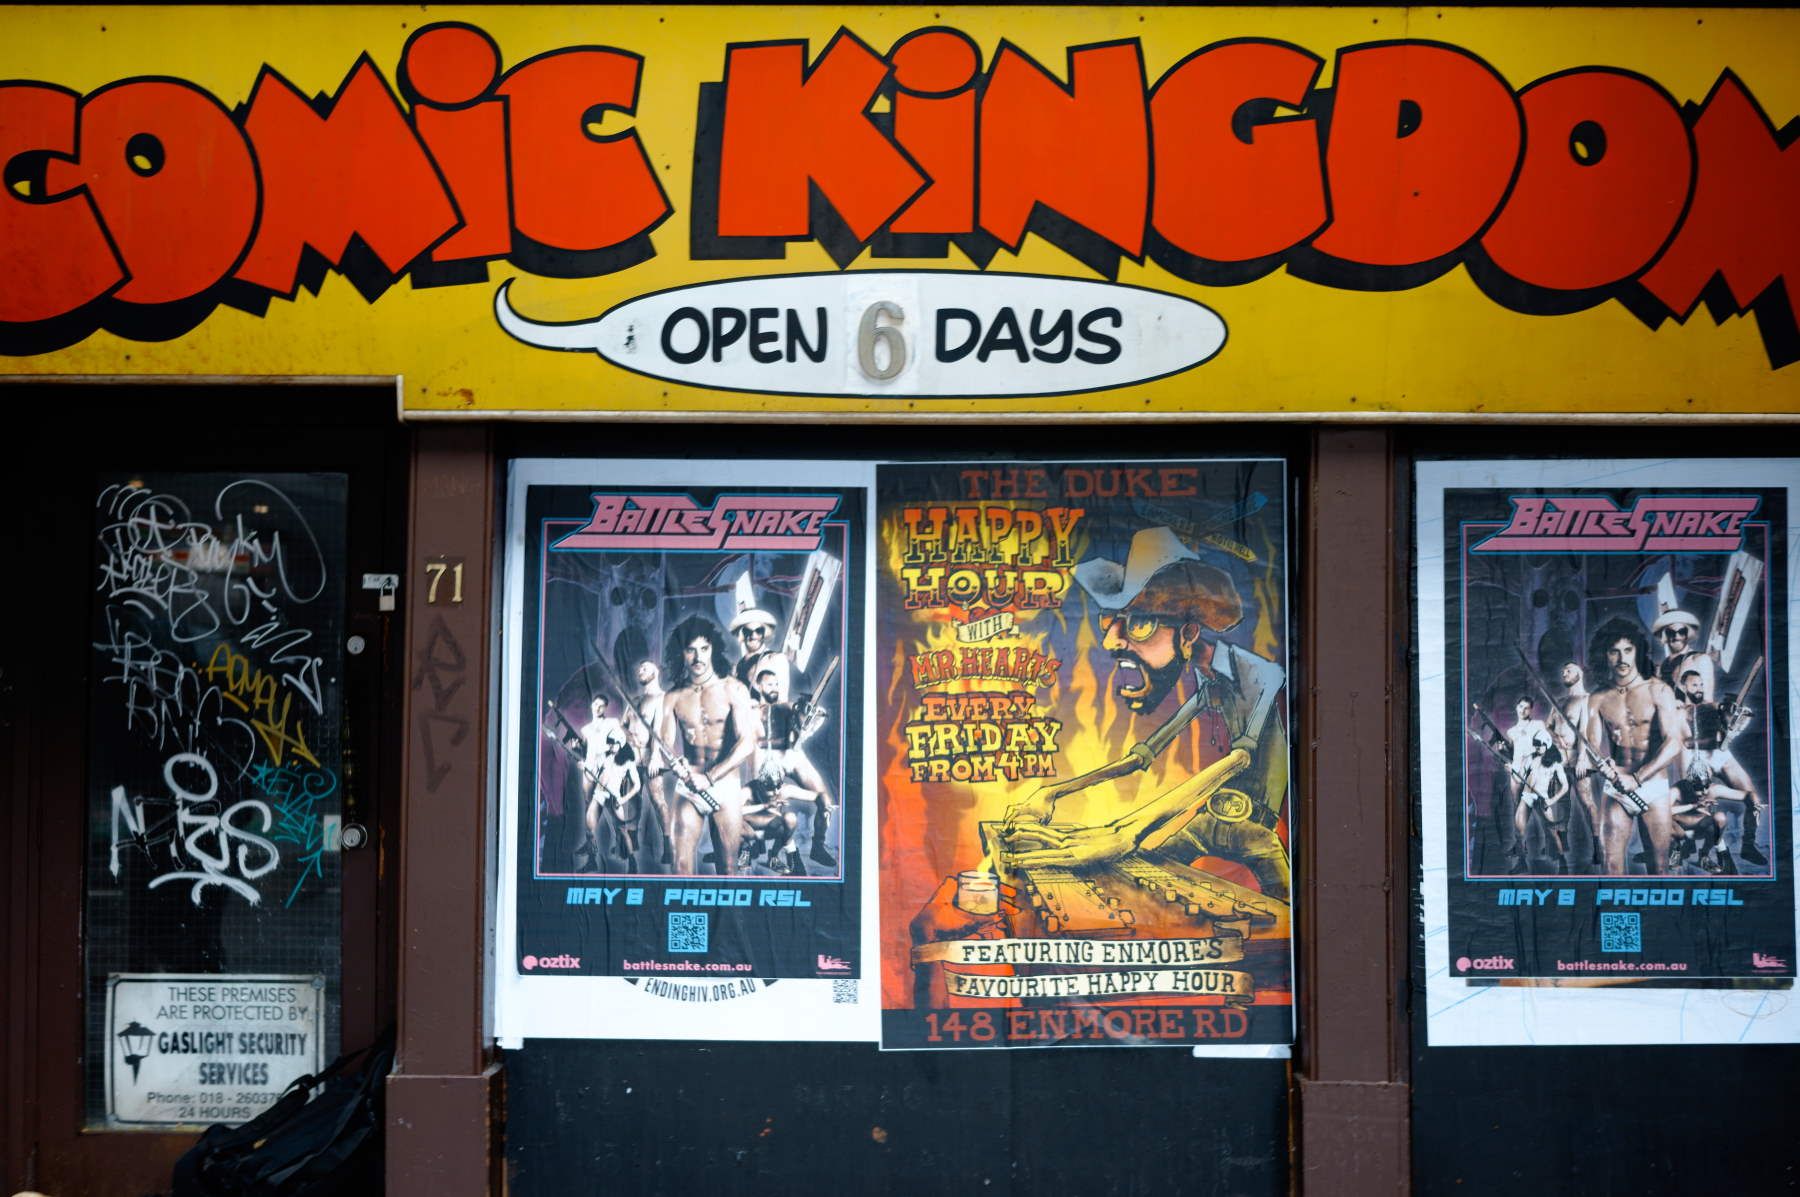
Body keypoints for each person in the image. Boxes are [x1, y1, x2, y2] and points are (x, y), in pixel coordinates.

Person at [1005, 527, 1291, 899]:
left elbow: (1239, 759)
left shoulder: (1264, 674)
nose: (1111, 641)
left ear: (1188, 634)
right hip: (1208, 823)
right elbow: (1141, 757)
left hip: (1256, 835)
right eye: (1110, 622)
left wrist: (1128, 832)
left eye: (1139, 623)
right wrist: (1053, 792)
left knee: (1284, 914)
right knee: (1134, 884)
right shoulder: (1209, 681)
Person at [658, 616, 758, 875]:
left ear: (713, 648)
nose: (698, 657)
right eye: (691, 650)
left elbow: (747, 742)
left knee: (728, 868)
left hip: (725, 786)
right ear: (681, 653)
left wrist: (710, 777)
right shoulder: (673, 697)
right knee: (680, 866)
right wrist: (674, 762)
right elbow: (665, 744)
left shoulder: (733, 689)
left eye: (704, 648)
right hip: (689, 783)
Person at [1585, 618, 1684, 875]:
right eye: (1614, 651)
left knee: (1659, 868)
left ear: (1637, 651)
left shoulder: (1658, 690)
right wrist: (1601, 763)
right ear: (1605, 655)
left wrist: (1637, 778)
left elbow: (1674, 742)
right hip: (1616, 786)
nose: (1622, 658)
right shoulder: (1597, 697)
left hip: (1653, 787)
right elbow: (1592, 746)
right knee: (1611, 867)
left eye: (1628, 650)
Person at [574, 703, 644, 872]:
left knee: (622, 830)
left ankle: (632, 862)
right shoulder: (604, 756)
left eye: (613, 743)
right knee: (589, 827)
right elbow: (592, 769)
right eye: (609, 743)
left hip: (615, 798)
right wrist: (583, 764)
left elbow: (637, 785)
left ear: (620, 744)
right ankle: (592, 861)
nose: (610, 746)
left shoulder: (628, 762)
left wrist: (623, 799)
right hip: (599, 794)